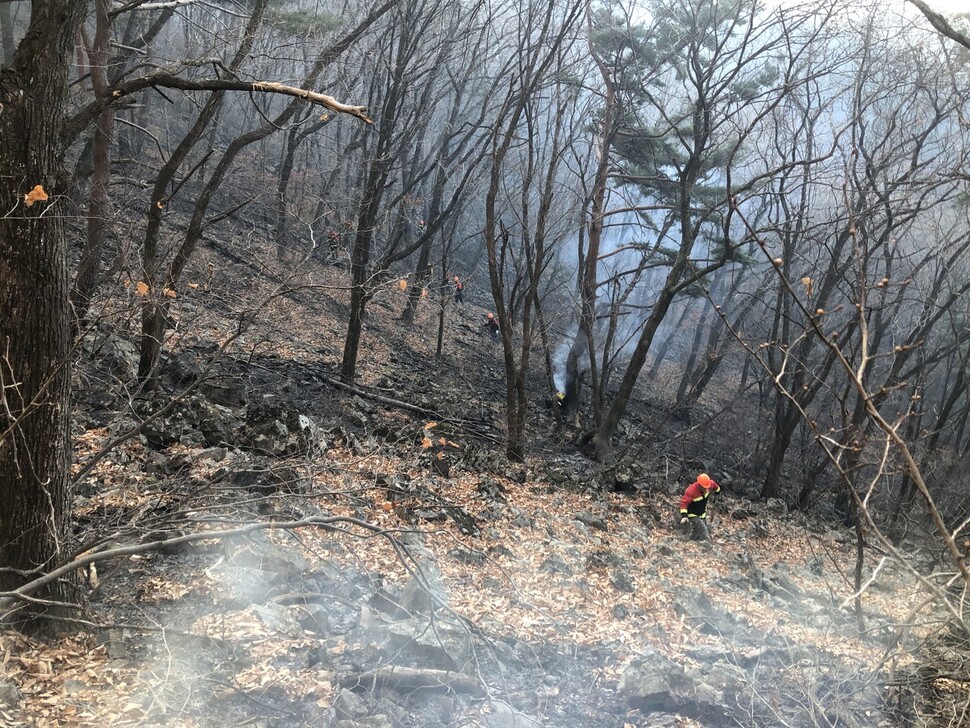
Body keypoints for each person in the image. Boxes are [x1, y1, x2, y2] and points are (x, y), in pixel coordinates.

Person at [678, 473, 720, 541]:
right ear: (699, 485)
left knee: (697, 531)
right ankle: (708, 547)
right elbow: (683, 503)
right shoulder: (691, 491)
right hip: (693, 514)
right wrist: (684, 516)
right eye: (704, 487)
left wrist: (717, 492)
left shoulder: (709, 485)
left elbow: (716, 487)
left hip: (702, 513)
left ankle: (689, 541)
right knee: (704, 532)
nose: (706, 489)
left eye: (707, 487)